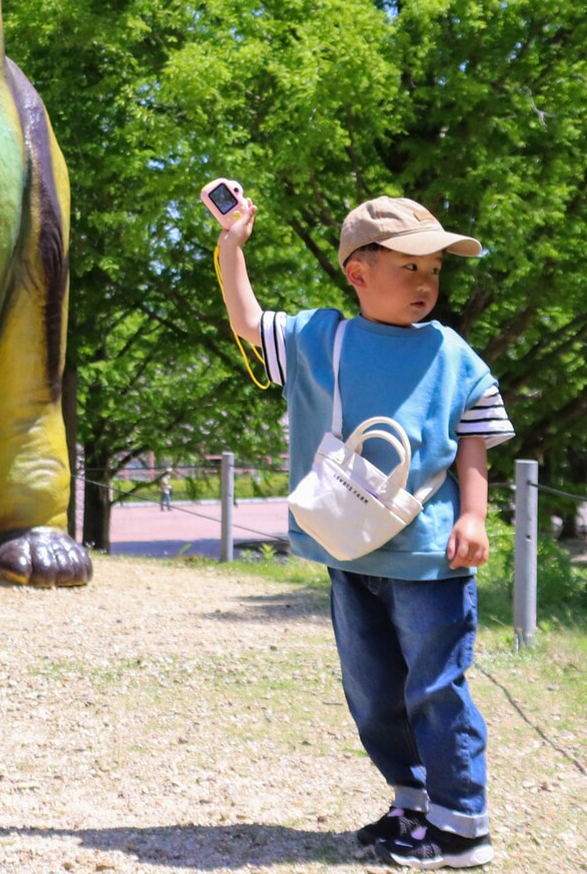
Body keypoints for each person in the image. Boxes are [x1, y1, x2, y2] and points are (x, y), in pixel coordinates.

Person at [216, 195, 514, 869]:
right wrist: (231, 247)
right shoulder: (325, 338)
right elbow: (247, 320)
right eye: (408, 266)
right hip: (348, 549)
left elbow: (475, 438)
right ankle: (413, 802)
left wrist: (474, 513)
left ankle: (462, 822)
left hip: (430, 556)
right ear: (358, 272)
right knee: (373, 687)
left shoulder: (453, 353)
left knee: (436, 685)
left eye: (433, 270)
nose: (424, 283)